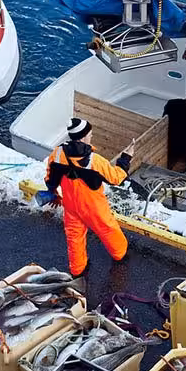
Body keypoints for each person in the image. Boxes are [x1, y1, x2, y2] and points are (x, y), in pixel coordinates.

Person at [41, 116, 135, 279]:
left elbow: (50, 178)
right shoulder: (95, 161)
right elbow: (116, 178)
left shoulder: (57, 154)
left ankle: (78, 269)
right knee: (108, 230)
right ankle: (120, 255)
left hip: (71, 206)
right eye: (90, 133)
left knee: (74, 237)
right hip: (94, 208)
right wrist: (126, 158)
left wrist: (53, 193)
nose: (91, 136)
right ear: (84, 137)